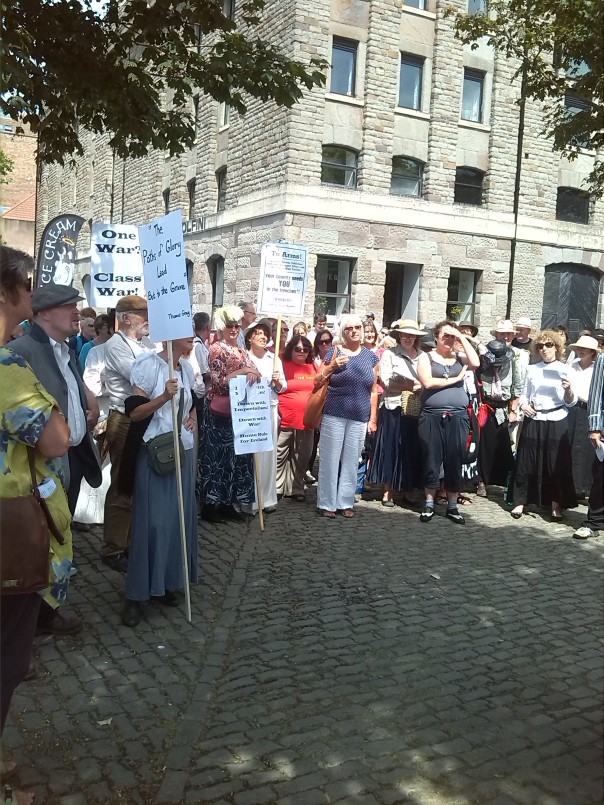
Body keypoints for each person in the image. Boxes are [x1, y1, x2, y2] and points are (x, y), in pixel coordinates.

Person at [1, 248, 71, 805]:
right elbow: (55, 440)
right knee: (8, 655)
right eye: (27, 283)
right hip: (9, 530)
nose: (33, 291)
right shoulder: (8, 367)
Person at [101, 295, 154, 572]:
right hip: (123, 419)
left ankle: (131, 541)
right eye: (143, 313)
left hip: (142, 419)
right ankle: (113, 547)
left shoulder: (144, 344)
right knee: (122, 481)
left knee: (137, 482)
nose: (148, 318)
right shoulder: (115, 345)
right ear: (126, 317)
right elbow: (138, 376)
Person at [199, 305, 260, 523]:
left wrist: (252, 373)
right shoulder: (217, 349)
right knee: (216, 459)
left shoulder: (242, 350)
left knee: (236, 459)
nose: (234, 329)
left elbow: (256, 372)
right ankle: (210, 504)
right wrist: (243, 371)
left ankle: (227, 502)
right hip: (219, 413)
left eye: (237, 325)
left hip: (238, 413)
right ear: (222, 327)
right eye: (230, 325)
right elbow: (218, 382)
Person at [417, 320, 480, 525]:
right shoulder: (426, 357)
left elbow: (476, 363)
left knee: (454, 460)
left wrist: (461, 337)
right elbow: (428, 382)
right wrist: (456, 378)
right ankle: (429, 503)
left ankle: (452, 506)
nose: (448, 339)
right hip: (432, 416)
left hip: (457, 416)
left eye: (451, 336)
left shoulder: (460, 358)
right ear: (436, 336)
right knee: (431, 458)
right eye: (445, 335)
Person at [316, 314, 379, 518]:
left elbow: (373, 390)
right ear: (343, 332)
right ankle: (326, 502)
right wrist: (333, 366)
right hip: (334, 412)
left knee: (352, 460)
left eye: (358, 327)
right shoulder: (334, 351)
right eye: (349, 328)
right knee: (330, 459)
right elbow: (317, 380)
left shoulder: (371, 356)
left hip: (359, 415)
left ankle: (345, 501)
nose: (354, 331)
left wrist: (373, 418)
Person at [511, 330, 577, 520]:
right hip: (535, 417)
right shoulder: (533, 369)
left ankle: (556, 504)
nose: (545, 349)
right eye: (541, 346)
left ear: (557, 347)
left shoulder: (566, 369)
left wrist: (569, 390)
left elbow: (570, 402)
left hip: (557, 418)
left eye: (549, 345)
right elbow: (524, 393)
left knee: (556, 462)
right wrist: (524, 406)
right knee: (526, 460)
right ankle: (520, 502)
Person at [369, 319, 425, 507]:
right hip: (393, 407)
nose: (408, 338)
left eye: (411, 335)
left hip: (416, 407)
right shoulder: (389, 355)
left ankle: (409, 489)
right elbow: (386, 381)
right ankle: (388, 490)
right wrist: (411, 385)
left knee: (412, 449)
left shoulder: (423, 356)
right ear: (399, 336)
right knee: (391, 448)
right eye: (404, 334)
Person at [244, 319, 286, 514]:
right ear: (250, 336)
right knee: (250, 454)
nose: (262, 337)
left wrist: (277, 382)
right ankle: (249, 499)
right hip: (248, 411)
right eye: (258, 333)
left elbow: (282, 387)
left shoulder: (274, 359)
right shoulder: (243, 357)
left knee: (267, 454)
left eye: (265, 334)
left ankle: (267, 498)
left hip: (269, 408)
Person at [277, 335, 317, 502]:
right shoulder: (281, 363)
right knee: (280, 454)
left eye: (305, 349)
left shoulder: (314, 366)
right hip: (285, 418)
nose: (302, 352)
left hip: (307, 420)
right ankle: (278, 487)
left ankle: (297, 487)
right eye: (298, 349)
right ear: (290, 349)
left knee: (302, 456)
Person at [476, 340, 517, 495]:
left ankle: (506, 481)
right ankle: (481, 481)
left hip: (503, 409)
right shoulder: (483, 366)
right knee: (484, 445)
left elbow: (516, 388)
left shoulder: (511, 365)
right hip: (486, 407)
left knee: (504, 446)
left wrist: (513, 410)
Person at [573, 350, 604, 539]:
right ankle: (594, 521)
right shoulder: (602, 359)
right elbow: (596, 393)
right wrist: (594, 427)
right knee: (601, 478)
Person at [567, 335, 599, 498]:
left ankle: (585, 486)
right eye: (579, 348)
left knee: (587, 449)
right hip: (573, 408)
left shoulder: (597, 368)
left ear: (593, 352)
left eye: (584, 349)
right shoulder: (572, 366)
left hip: (590, 409)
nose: (581, 351)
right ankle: (573, 486)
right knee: (572, 447)